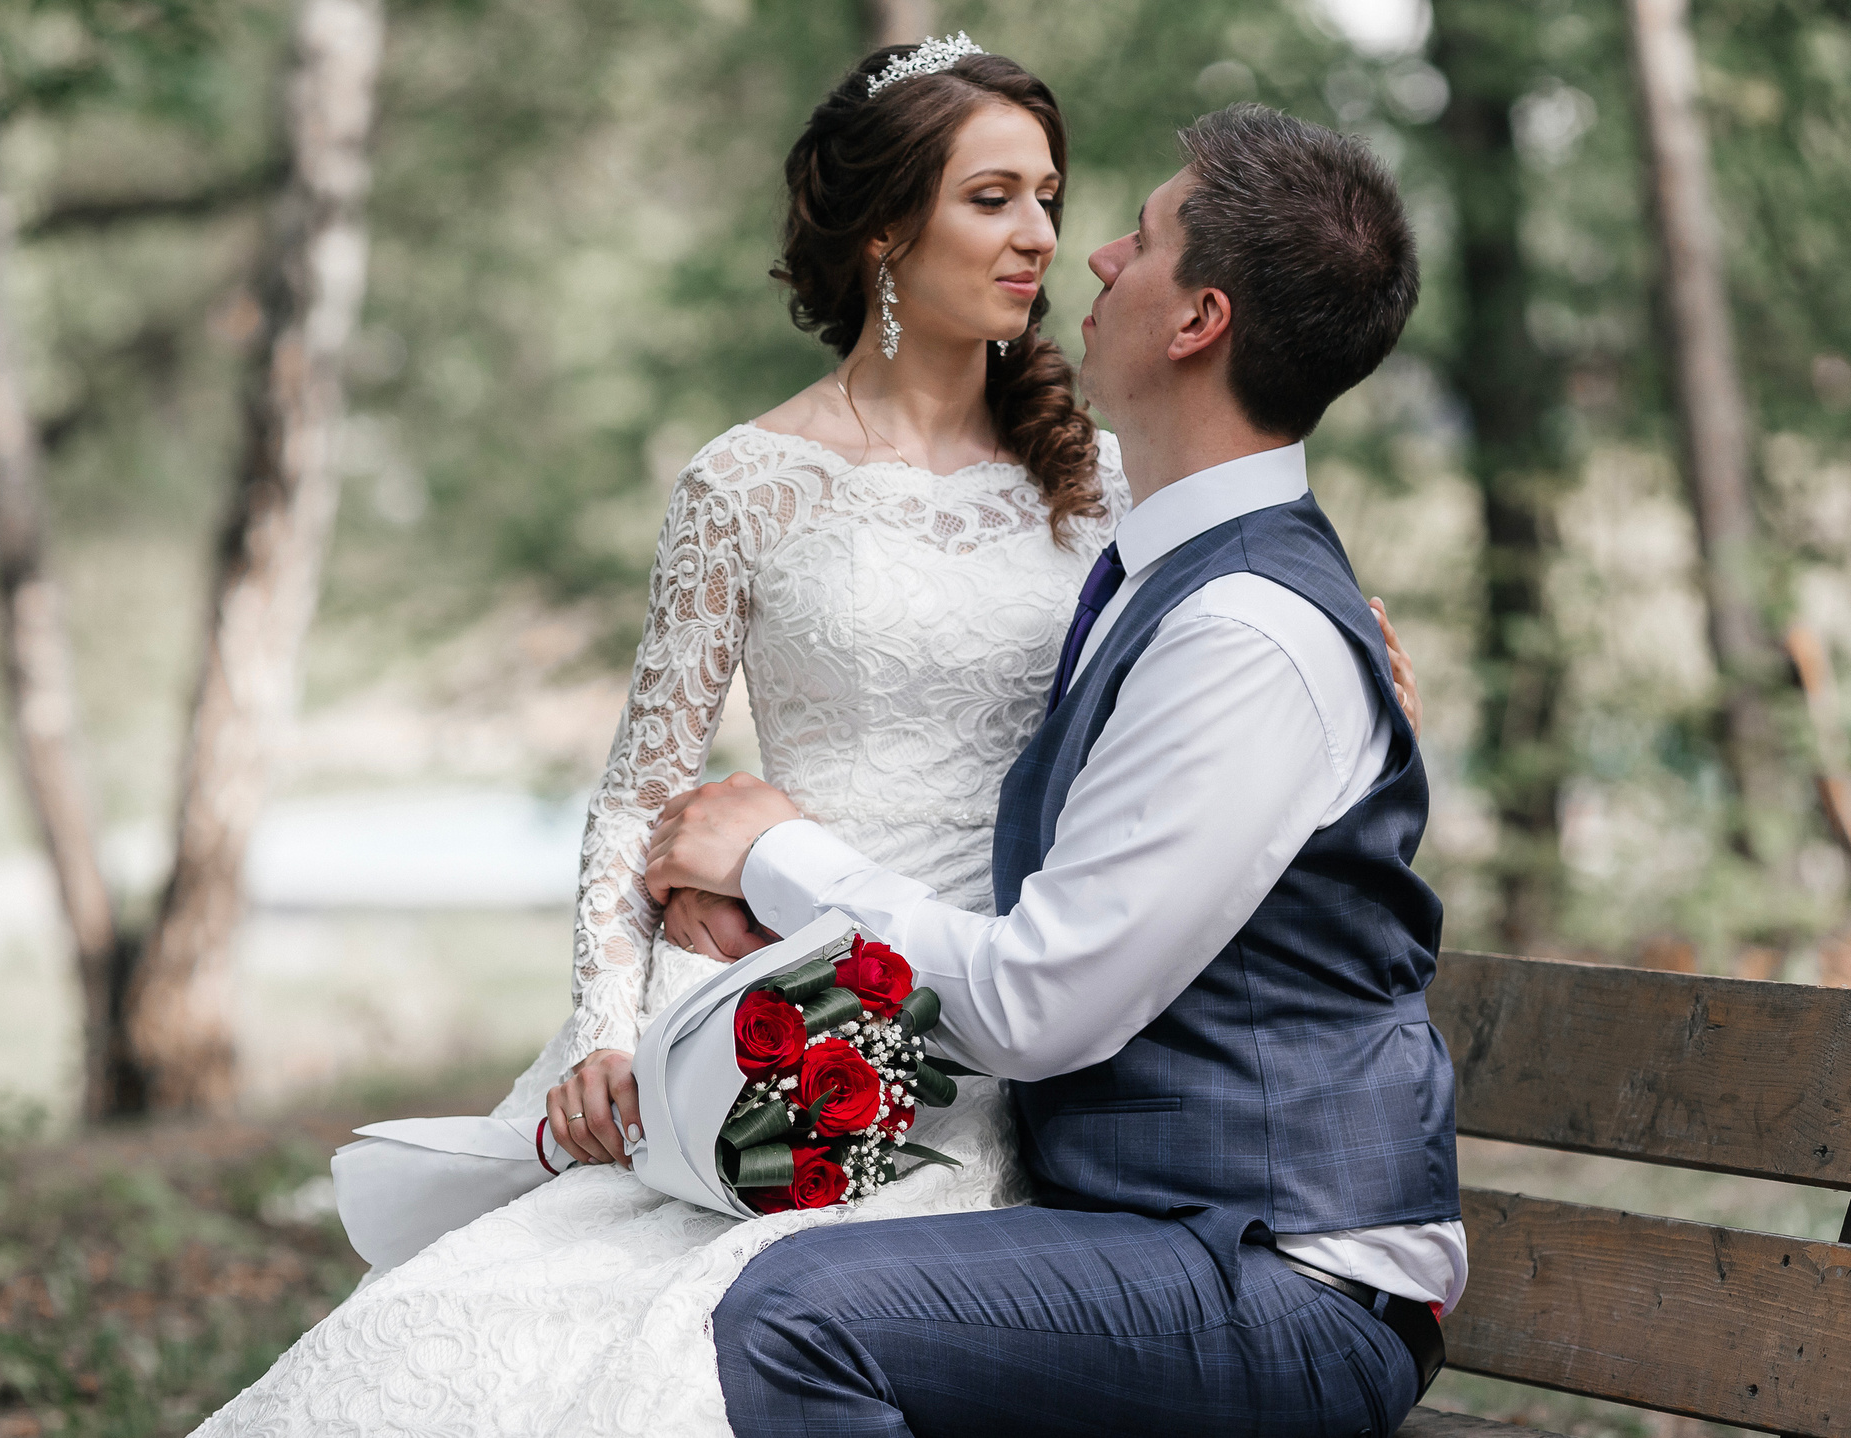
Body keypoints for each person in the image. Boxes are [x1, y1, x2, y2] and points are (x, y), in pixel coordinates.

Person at [194, 41, 1418, 1437]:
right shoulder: (746, 483)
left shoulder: (1117, 476)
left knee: (710, 1348)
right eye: (994, 198)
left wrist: (1363, 667)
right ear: (887, 232)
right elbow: (636, 800)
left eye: (1056, 199)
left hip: (1007, 1037)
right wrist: (612, 1024)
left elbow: (1236, 647)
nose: (1045, 239)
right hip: (814, 1012)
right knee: (471, 1342)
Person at [645, 101, 1456, 1438]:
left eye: (1135, 241)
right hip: (1170, 1228)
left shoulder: (1250, 633)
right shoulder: (1168, 562)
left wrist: (774, 854)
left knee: (793, 1317)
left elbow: (1037, 1005)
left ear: (1198, 319)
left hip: (1292, 1277)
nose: (1089, 259)